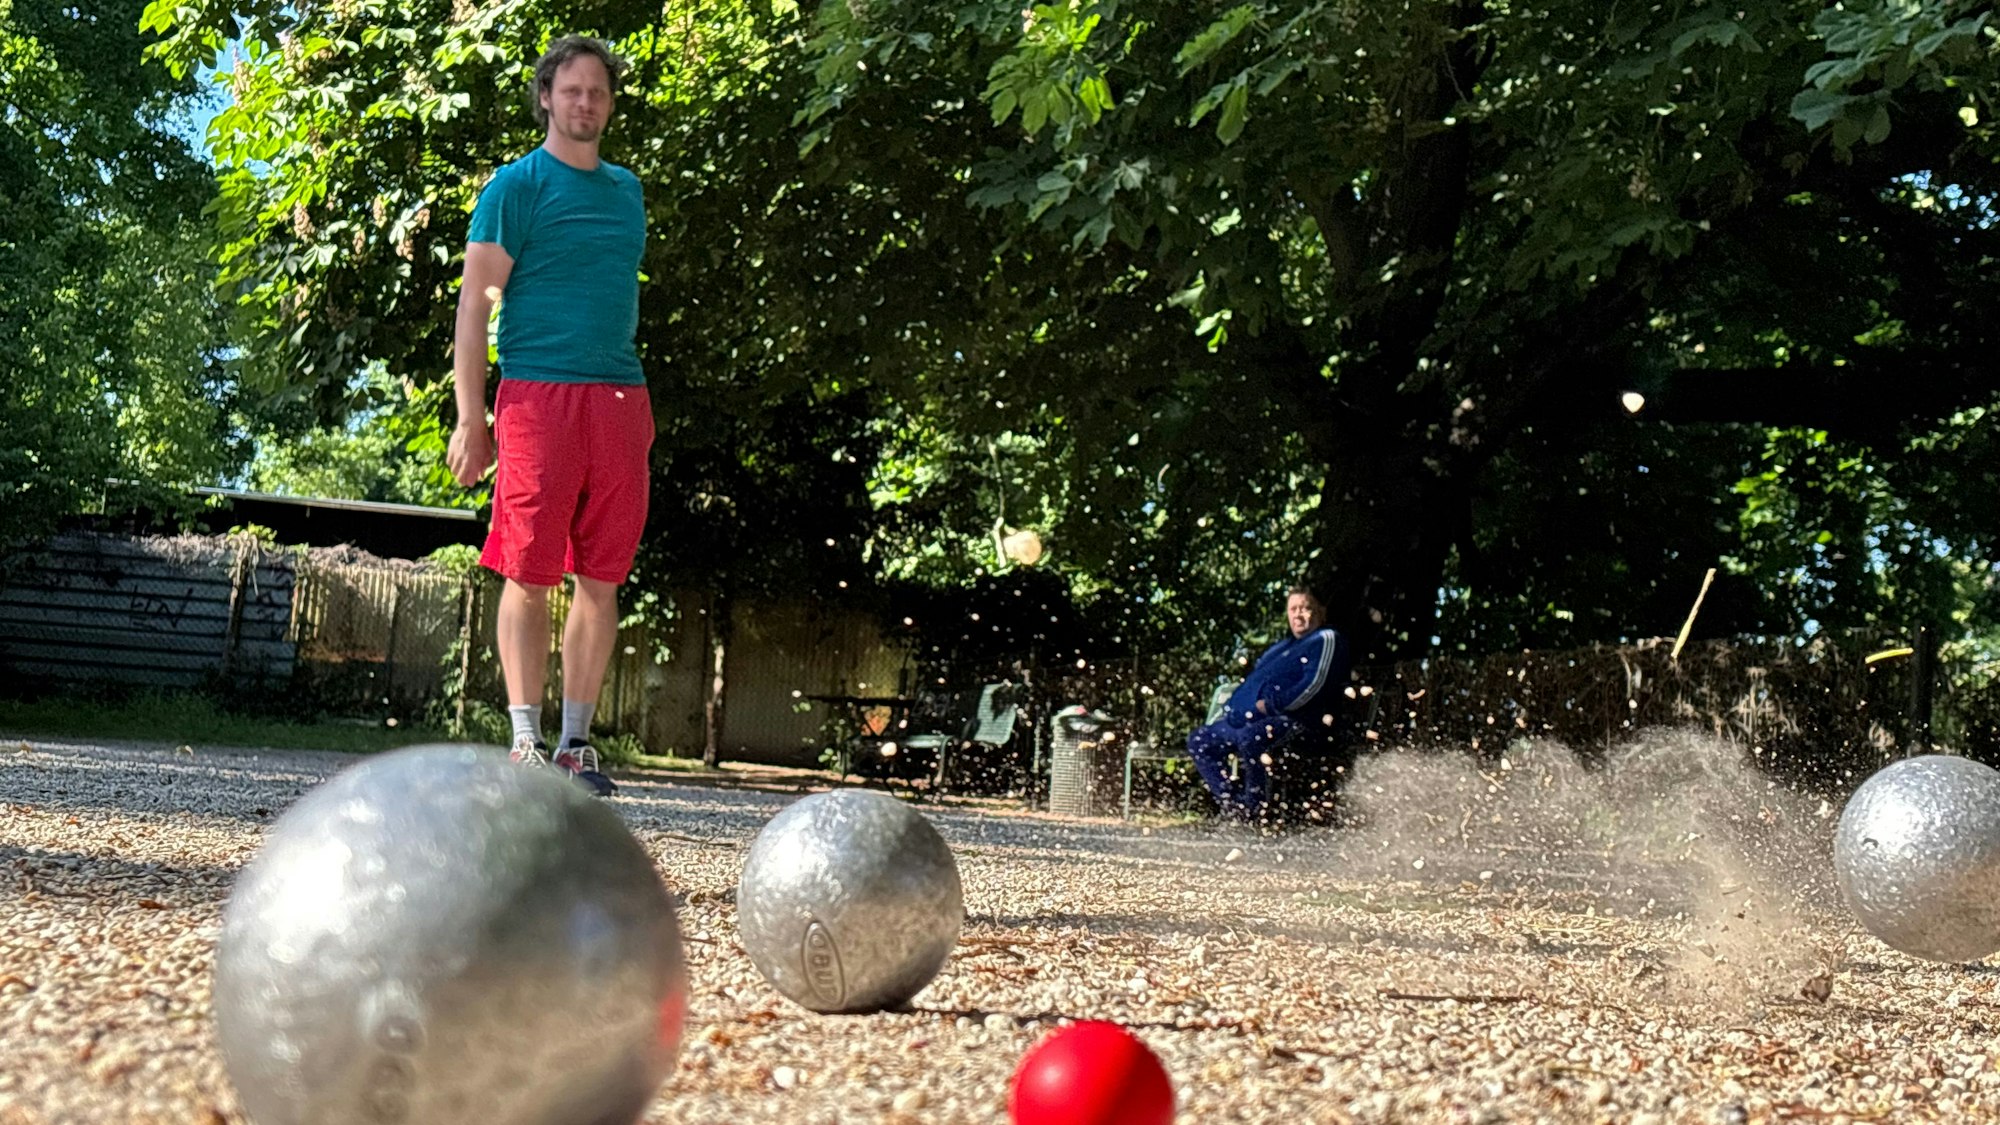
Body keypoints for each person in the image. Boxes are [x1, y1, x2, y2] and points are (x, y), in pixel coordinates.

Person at [445, 36, 652, 797]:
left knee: (602, 574)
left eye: (597, 91)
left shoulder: (627, 191)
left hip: (621, 399)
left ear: (610, 103)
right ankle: (525, 742)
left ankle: (576, 745)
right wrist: (473, 418)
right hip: (537, 395)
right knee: (528, 568)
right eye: (572, 90)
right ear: (545, 98)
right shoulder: (516, 187)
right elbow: (476, 305)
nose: (585, 102)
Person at [1187, 585, 1351, 822]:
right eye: (1293, 609)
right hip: (1253, 719)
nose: (1298, 615)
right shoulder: (1279, 650)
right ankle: (1235, 808)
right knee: (1200, 740)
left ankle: (1256, 812)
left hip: (1299, 722)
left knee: (1253, 738)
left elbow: (1314, 684)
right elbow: (1250, 685)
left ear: (1321, 612)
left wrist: (1272, 705)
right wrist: (1234, 711)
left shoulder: (1325, 638)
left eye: (1305, 608)